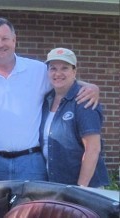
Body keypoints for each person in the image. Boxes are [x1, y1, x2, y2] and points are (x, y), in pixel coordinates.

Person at [0, 18, 100, 183]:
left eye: (5, 39)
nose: (0, 44)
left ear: (14, 41)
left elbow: (62, 79)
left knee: (33, 209)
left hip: (31, 163)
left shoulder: (36, 70)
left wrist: (92, 87)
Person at [40, 48, 109, 187]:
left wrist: (80, 189)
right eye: (53, 68)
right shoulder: (46, 100)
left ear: (74, 71)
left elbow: (93, 149)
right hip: (57, 184)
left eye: (64, 68)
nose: (58, 73)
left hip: (83, 188)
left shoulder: (84, 100)